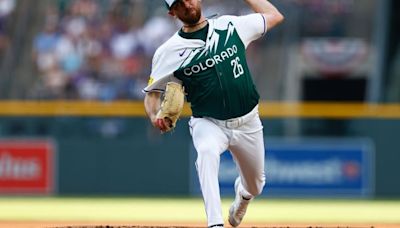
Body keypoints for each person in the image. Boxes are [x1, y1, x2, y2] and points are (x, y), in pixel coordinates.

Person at [143, 0, 284, 227]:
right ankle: (215, 223)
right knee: (207, 153)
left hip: (248, 121)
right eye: (179, 4)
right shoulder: (168, 52)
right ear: (172, 13)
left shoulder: (230, 26)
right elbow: (151, 96)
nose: (187, 5)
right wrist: (154, 116)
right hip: (208, 122)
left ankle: (243, 197)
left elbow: (274, 15)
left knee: (256, 185)